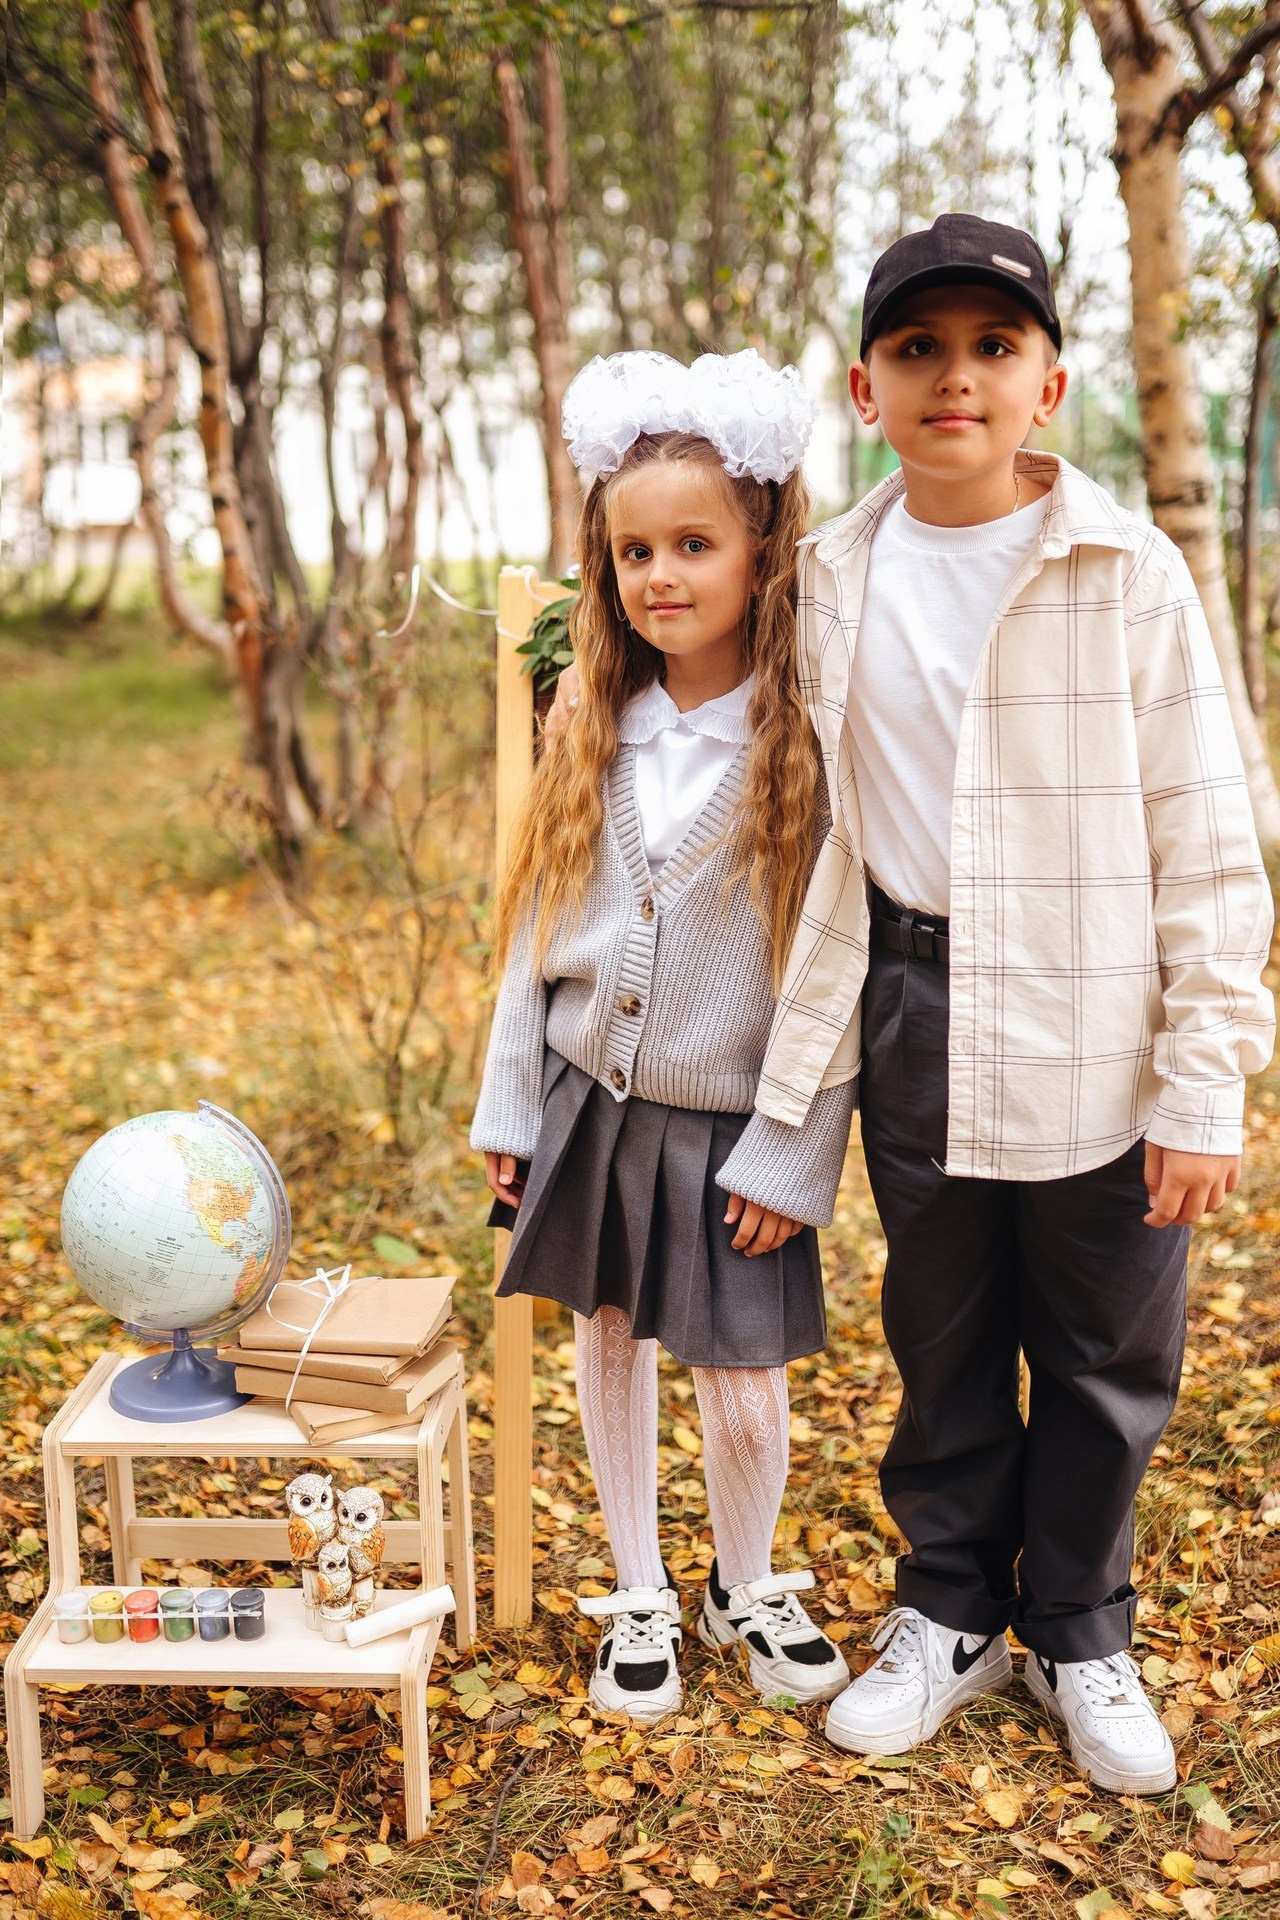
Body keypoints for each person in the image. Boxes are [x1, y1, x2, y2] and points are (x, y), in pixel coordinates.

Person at [743, 213, 1275, 1792]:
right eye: (918, 349)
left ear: (1050, 382)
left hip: (1098, 1010)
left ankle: (1082, 1632)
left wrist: (1203, 1082)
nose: (955, 377)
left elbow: (1207, 840)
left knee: (1108, 1348)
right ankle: (950, 1614)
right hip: (912, 1000)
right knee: (946, 1332)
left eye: (994, 346)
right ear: (865, 389)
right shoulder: (827, 579)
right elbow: (724, 724)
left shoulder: (1127, 573)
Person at [472, 349, 857, 1724]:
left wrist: (794, 1151)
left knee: (743, 1394)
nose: (661, 576)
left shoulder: (805, 741)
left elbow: (836, 971)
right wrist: (510, 1108)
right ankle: (637, 1588)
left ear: (763, 551)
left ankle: (742, 1581)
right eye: (634, 552)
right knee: (611, 1340)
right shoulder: (594, 724)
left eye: (695, 544)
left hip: (737, 1123)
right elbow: (534, 927)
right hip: (590, 1100)